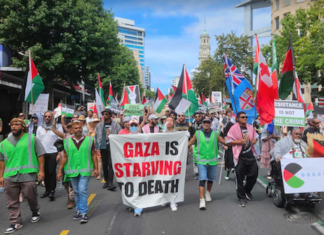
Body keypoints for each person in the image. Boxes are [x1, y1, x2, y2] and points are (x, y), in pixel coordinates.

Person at [0, 118, 45, 234]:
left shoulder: (32, 139)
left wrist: (41, 171)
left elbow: (40, 154)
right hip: (10, 176)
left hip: (28, 174)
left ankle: (35, 211)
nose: (14, 127)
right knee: (11, 201)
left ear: (23, 126)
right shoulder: (4, 143)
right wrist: (1, 176)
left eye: (16, 124)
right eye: (12, 125)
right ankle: (15, 222)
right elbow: (2, 161)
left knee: (30, 195)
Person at [57, 121, 98, 224]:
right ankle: (79, 210)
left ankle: (84, 213)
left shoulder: (89, 140)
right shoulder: (66, 142)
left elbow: (93, 154)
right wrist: (59, 171)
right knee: (75, 191)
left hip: (85, 170)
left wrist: (96, 168)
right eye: (76, 128)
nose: (78, 130)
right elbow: (65, 157)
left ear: (82, 128)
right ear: (72, 130)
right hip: (72, 171)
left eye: (79, 128)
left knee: (82, 190)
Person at [188, 117, 226, 210]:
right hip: (201, 160)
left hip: (212, 161)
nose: (206, 124)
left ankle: (208, 192)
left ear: (210, 123)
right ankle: (202, 200)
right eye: (204, 122)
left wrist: (229, 144)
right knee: (202, 179)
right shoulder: (197, 133)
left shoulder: (216, 133)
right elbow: (189, 143)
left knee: (210, 179)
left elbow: (224, 142)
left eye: (208, 122)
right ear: (202, 123)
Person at [226, 111, 259, 207]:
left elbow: (256, 137)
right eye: (243, 117)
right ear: (237, 118)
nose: (245, 118)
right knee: (239, 177)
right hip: (240, 156)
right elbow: (228, 141)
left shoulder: (250, 127)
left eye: (246, 117)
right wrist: (239, 141)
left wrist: (254, 140)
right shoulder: (234, 128)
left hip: (250, 155)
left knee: (254, 173)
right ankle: (241, 197)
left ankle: (247, 190)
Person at [36, 111, 62, 201]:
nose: (47, 118)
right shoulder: (40, 128)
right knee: (45, 172)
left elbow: (60, 141)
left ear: (53, 117)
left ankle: (52, 190)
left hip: (53, 152)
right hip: (42, 153)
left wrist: (59, 153)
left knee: (51, 171)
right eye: (45, 116)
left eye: (49, 116)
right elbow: (37, 141)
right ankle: (47, 190)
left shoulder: (57, 127)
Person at [94, 108, 122, 191]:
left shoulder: (115, 124)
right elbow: (96, 136)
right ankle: (106, 181)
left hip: (112, 146)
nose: (104, 116)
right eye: (103, 114)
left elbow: (119, 134)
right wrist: (97, 147)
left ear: (110, 115)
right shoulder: (99, 125)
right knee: (105, 164)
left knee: (111, 164)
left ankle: (110, 182)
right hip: (103, 146)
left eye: (106, 114)